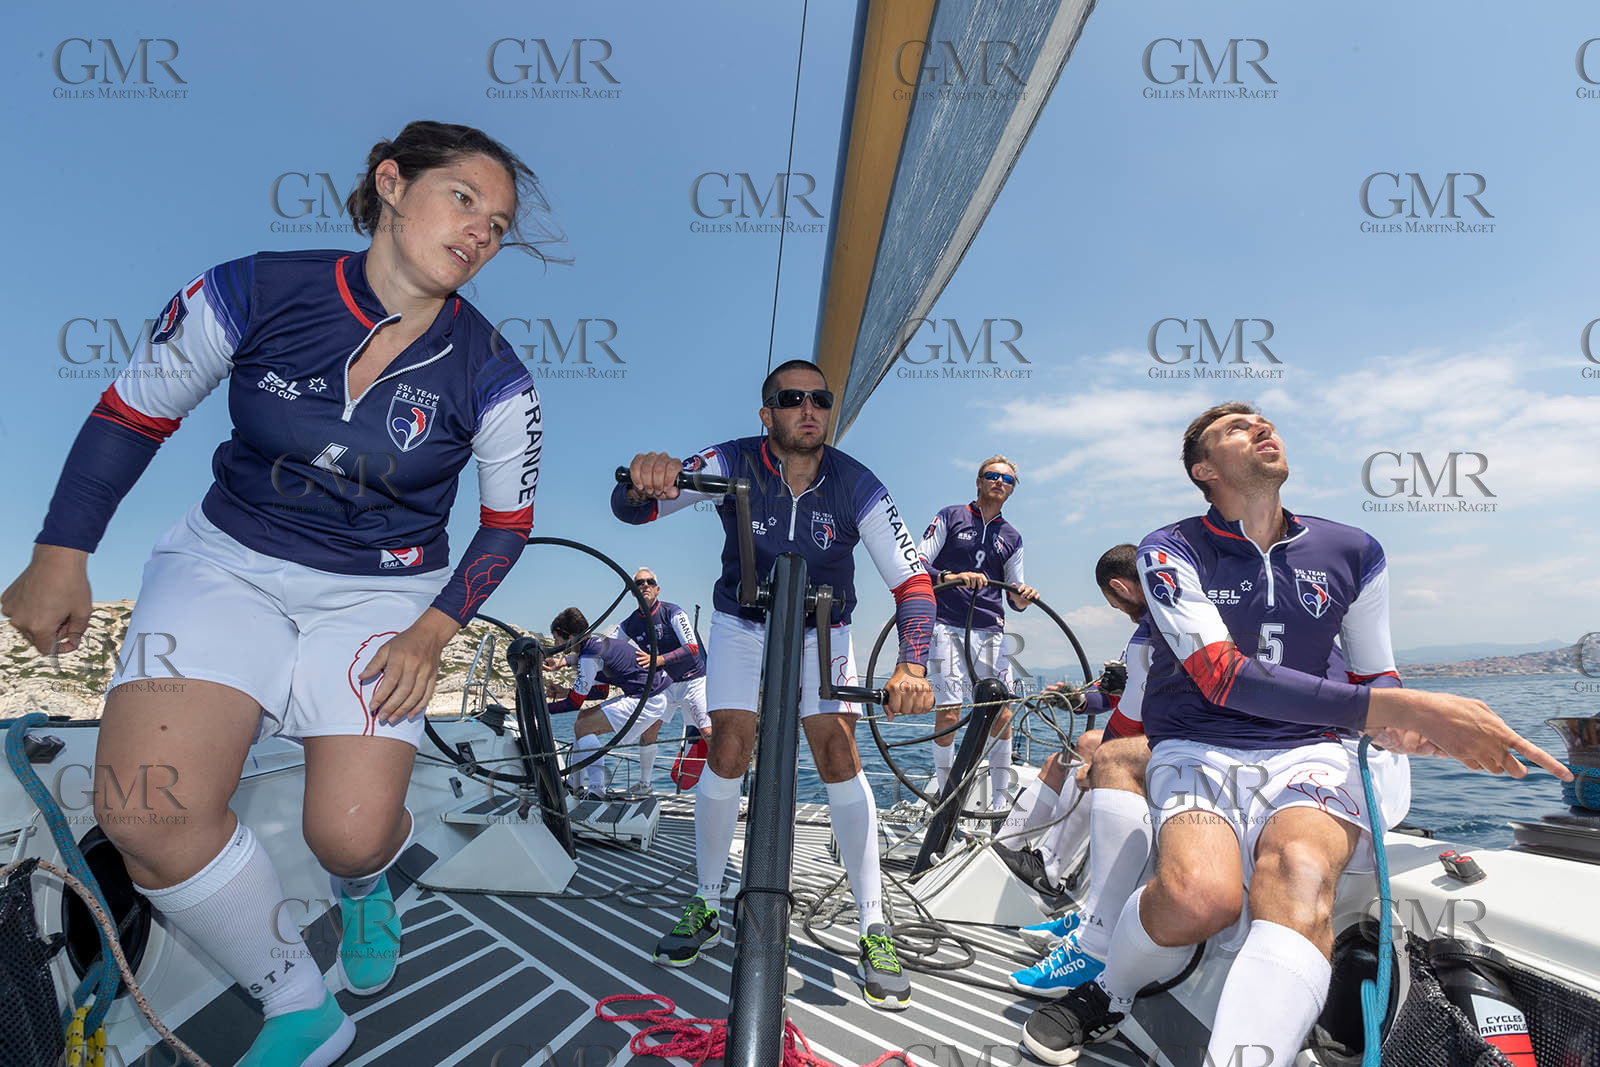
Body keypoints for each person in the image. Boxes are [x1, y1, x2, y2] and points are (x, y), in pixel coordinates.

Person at [1, 121, 552, 1067]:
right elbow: (136, 411)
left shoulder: (497, 377)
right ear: (390, 182)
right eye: (464, 199)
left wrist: (433, 631)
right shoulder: (254, 287)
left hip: (384, 594)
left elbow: (505, 527)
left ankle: (362, 879)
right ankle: (300, 1006)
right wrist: (62, 551)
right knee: (145, 815)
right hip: (227, 562)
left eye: (498, 227)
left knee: (348, 835)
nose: (480, 234)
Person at [1021, 402, 1572, 1066]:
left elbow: (1377, 675)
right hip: (1199, 744)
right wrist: (1414, 708)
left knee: (1301, 872)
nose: (1262, 428)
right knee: (1200, 895)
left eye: (1265, 422)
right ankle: (1111, 987)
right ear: (1204, 468)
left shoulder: (1355, 551)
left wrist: (1405, 728)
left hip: (1311, 750)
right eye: (1235, 428)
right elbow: (1218, 675)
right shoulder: (1168, 550)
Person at [612, 358, 935, 1010]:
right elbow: (630, 511)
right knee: (730, 740)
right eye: (791, 398)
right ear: (768, 414)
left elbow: (912, 581)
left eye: (820, 398)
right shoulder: (731, 460)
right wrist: (646, 481)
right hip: (743, 622)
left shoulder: (857, 483)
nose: (808, 408)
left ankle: (874, 921)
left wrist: (914, 664)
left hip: (824, 626)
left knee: (836, 750)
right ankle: (706, 900)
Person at [1005, 544, 1157, 997]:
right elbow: (1117, 698)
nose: (1117, 612)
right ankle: (1058, 878)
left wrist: (1105, 752)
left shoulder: (1154, 630)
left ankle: (1051, 872)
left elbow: (1132, 711)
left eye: (1113, 603)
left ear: (1119, 588)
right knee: (1082, 750)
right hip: (1155, 739)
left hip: (1176, 747)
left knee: (1095, 752)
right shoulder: (1148, 629)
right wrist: (1077, 700)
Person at [917, 457, 1038, 811]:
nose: (1000, 482)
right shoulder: (951, 516)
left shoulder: (1012, 537)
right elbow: (919, 561)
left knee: (1001, 713)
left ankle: (1000, 806)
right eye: (992, 476)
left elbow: (1015, 595)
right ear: (978, 481)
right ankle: (946, 796)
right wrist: (952, 576)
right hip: (946, 624)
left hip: (990, 630)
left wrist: (1024, 595)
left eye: (1008, 479)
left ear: (1013, 489)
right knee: (951, 711)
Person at [547, 607, 673, 799]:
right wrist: (565, 691)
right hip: (652, 694)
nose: (555, 644)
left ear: (570, 636)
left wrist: (540, 708)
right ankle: (574, 784)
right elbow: (601, 692)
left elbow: (574, 703)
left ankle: (597, 791)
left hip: (648, 698)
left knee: (583, 726)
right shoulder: (595, 645)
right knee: (583, 720)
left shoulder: (589, 657)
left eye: (557, 638)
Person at [611, 567, 712, 794]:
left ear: (657, 589)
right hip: (664, 683)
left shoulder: (673, 612)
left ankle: (723, 789)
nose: (644, 585)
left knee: (708, 732)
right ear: (633, 592)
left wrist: (659, 659)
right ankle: (645, 784)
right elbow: (608, 649)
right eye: (639, 583)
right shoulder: (629, 624)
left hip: (693, 681)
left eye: (649, 582)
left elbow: (692, 647)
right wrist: (566, 661)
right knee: (649, 729)